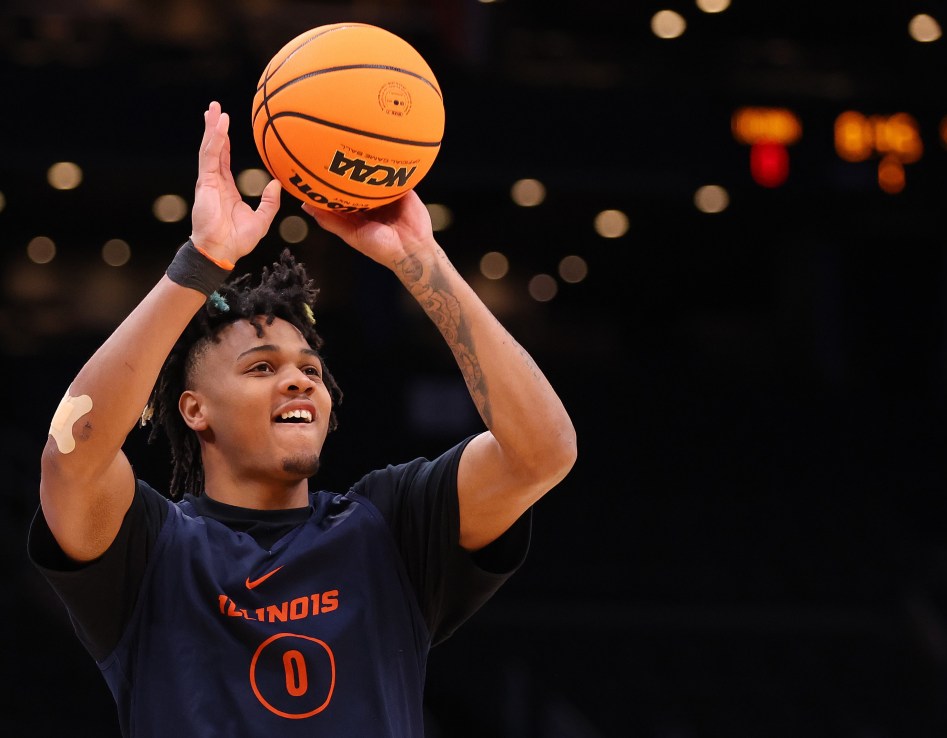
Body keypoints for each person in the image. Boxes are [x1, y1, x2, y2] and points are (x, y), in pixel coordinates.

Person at [29, 100, 577, 737]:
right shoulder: (151, 549)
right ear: (193, 409)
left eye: (311, 370)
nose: (299, 378)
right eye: (261, 367)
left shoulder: (390, 526)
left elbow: (544, 450)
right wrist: (201, 260)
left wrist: (420, 262)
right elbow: (73, 453)